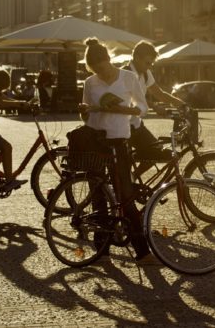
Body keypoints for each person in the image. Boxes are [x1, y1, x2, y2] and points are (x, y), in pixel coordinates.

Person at [76, 38, 156, 264]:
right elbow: (86, 114)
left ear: (108, 60)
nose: (100, 74)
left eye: (101, 68)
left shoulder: (128, 78)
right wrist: (83, 110)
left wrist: (124, 109)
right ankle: (102, 251)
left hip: (119, 139)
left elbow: (142, 108)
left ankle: (142, 252)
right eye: (95, 71)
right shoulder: (90, 82)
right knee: (98, 196)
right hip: (96, 140)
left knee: (125, 194)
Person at [125, 41, 184, 162]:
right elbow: (132, 98)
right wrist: (154, 106)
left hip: (136, 124)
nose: (149, 66)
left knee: (156, 152)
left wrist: (181, 104)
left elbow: (160, 94)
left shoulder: (146, 74)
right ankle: (128, 175)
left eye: (151, 63)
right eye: (147, 63)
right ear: (136, 58)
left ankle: (134, 176)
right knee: (125, 165)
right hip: (122, 127)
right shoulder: (124, 74)